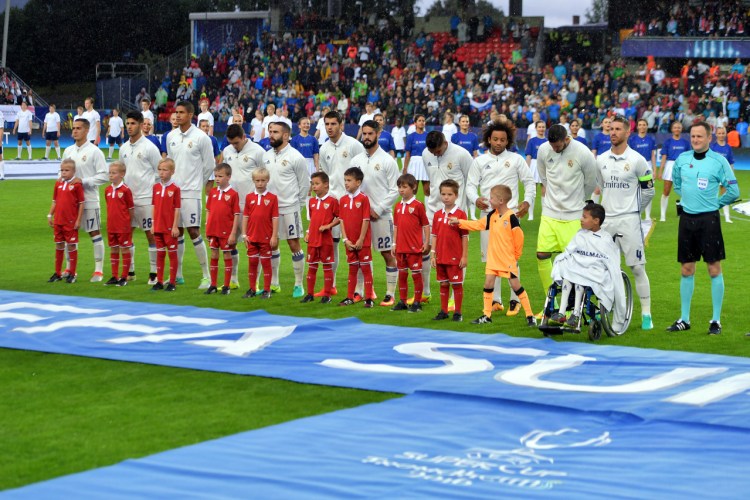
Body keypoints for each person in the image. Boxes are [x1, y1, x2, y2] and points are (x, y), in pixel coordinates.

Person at [668, 122, 739, 335]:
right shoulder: (682, 160)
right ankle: (684, 319)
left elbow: (734, 190)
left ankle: (716, 321)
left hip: (709, 221)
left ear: (709, 138)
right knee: (686, 269)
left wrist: (715, 204)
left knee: (713, 268)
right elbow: (677, 184)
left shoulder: (719, 161)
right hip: (687, 221)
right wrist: (689, 200)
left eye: (700, 136)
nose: (696, 140)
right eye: (693, 136)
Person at [466, 119, 535, 315]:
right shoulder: (479, 161)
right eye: (495, 139)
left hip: (509, 216)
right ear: (489, 139)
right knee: (490, 258)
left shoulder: (516, 159)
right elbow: (471, 185)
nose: (498, 143)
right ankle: (496, 300)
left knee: (511, 259)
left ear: (508, 141)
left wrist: (527, 202)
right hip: (488, 215)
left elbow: (529, 182)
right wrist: (475, 198)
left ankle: (515, 300)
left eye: (502, 140)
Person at [596, 115, 655, 330]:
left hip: (630, 221)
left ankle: (646, 314)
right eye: (611, 129)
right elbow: (599, 188)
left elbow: (649, 190)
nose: (613, 132)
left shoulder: (638, 160)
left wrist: (634, 208)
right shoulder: (600, 160)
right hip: (607, 222)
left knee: (637, 268)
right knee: (609, 269)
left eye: (618, 129)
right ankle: (617, 312)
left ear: (627, 132)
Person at [450, 184, 536, 327]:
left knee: (516, 285)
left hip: (507, 260)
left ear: (501, 200)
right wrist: (459, 222)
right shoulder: (492, 215)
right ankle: (487, 315)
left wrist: (515, 256)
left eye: (491, 198)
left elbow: (519, 237)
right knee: (488, 284)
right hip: (493, 259)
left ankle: (530, 315)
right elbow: (478, 225)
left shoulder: (512, 218)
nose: (489, 200)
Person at [535, 124, 598, 294]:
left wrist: (578, 200)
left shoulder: (583, 152)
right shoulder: (543, 150)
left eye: (558, 146)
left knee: (573, 261)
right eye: (552, 146)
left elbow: (591, 181)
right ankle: (551, 304)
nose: (554, 149)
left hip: (573, 215)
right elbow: (543, 175)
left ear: (566, 139)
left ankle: (571, 309)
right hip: (550, 212)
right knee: (541, 254)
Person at [550, 203, 627, 331]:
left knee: (580, 278)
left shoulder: (605, 239)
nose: (581, 219)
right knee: (568, 273)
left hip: (593, 271)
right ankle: (561, 313)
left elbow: (611, 260)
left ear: (596, 221)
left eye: (584, 217)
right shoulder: (580, 234)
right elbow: (570, 251)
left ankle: (575, 314)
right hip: (578, 267)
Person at [350, 119, 400, 306]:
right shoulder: (356, 160)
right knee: (361, 253)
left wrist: (378, 209)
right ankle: (362, 291)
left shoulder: (387, 160)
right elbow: (351, 186)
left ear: (378, 134)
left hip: (381, 216)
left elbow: (396, 190)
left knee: (387, 253)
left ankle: (390, 293)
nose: (367, 137)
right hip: (359, 216)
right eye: (365, 134)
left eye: (371, 133)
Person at [421, 130, 473, 305]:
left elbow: (471, 180)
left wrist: (466, 208)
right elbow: (431, 179)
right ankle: (426, 292)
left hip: (456, 214)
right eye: (433, 152)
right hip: (432, 211)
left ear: (444, 142)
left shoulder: (461, 154)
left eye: (438, 151)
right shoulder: (425, 153)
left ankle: (453, 298)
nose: (436, 154)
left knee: (456, 253)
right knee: (425, 249)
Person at [165, 100, 214, 288]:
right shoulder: (171, 136)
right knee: (176, 233)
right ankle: (177, 274)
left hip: (192, 192)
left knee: (194, 231)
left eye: (181, 113)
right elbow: (170, 162)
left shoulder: (202, 138)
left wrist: (197, 183)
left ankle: (206, 275)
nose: (177, 116)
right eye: (176, 112)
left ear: (191, 115)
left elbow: (209, 164)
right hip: (175, 192)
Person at [319, 110, 366, 296]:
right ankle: (331, 286)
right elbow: (325, 176)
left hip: (352, 202)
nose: (330, 128)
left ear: (341, 125)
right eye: (327, 124)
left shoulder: (354, 145)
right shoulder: (324, 149)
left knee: (356, 245)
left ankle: (359, 288)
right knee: (332, 244)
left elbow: (362, 174)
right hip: (332, 202)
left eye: (333, 124)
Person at [262, 121, 309, 298]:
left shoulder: (296, 157)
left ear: (286, 135)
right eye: (270, 131)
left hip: (290, 207)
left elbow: (304, 184)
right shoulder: (266, 156)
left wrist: (298, 206)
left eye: (275, 132)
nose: (271, 135)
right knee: (271, 244)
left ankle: (298, 284)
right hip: (269, 209)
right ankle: (274, 283)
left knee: (293, 243)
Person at [62, 117, 109, 281]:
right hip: (70, 203)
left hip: (89, 200)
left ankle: (98, 270)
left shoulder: (95, 151)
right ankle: (70, 269)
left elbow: (105, 176)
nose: (75, 131)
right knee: (69, 235)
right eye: (73, 128)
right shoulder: (68, 151)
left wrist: (84, 181)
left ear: (87, 130)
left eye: (78, 128)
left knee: (94, 233)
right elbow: (62, 173)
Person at [121, 111, 162, 284]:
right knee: (126, 234)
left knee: (151, 235)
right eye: (127, 124)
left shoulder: (149, 148)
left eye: (132, 123)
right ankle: (130, 271)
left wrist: (152, 192)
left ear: (140, 124)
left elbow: (160, 172)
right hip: (128, 201)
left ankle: (154, 272)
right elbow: (122, 173)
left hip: (146, 198)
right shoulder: (123, 148)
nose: (129, 126)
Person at [223, 123, 266, 288]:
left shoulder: (258, 151)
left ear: (244, 137)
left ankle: (254, 283)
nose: (233, 146)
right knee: (230, 242)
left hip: (252, 205)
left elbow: (265, 176)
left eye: (236, 143)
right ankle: (233, 279)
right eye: (231, 143)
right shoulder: (227, 151)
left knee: (253, 243)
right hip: (231, 205)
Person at [390, 173, 430, 313]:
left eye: (404, 187)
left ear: (413, 188)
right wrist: (394, 244)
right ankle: (402, 301)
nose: (401, 190)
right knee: (402, 274)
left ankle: (417, 302)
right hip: (400, 247)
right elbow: (395, 227)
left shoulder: (418, 205)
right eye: (399, 187)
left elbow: (425, 225)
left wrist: (426, 242)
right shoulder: (397, 206)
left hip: (414, 247)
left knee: (415, 274)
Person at [430, 179, 468, 322]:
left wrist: (464, 257)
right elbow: (434, 236)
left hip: (455, 257)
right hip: (441, 257)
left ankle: (458, 312)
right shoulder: (437, 214)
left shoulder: (461, 214)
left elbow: (464, 237)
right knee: (443, 283)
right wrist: (433, 255)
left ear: (456, 196)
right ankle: (443, 311)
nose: (446, 197)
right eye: (443, 194)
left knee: (456, 285)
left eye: (449, 194)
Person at [337, 166, 376, 307]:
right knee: (352, 269)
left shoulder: (364, 199)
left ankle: (369, 298)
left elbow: (366, 220)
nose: (346, 183)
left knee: (366, 269)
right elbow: (341, 220)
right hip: (349, 242)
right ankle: (349, 297)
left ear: (358, 182)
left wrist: (360, 239)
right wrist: (345, 239)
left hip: (362, 242)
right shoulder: (343, 200)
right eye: (345, 180)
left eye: (349, 180)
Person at [301, 171, 339, 304]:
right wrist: (308, 232)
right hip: (313, 239)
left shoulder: (332, 201)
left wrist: (328, 225)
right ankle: (309, 294)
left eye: (317, 184)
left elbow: (340, 217)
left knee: (327, 267)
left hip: (325, 240)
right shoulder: (311, 201)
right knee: (312, 266)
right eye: (312, 184)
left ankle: (327, 295)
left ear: (326, 184)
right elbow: (312, 220)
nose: (314, 186)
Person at [241, 167, 278, 299]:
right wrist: (244, 235)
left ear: (267, 180)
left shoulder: (272, 198)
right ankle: (252, 288)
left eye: (263, 180)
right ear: (253, 181)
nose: (260, 183)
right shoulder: (249, 197)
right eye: (257, 180)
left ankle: (267, 290)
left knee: (266, 264)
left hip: (266, 237)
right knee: (252, 263)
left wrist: (274, 236)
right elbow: (245, 216)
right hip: (252, 236)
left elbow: (275, 218)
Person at [204, 163, 241, 295]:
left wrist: (233, 233)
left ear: (228, 177)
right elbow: (208, 210)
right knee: (214, 254)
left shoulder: (233, 194)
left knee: (226, 255)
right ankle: (213, 284)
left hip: (226, 232)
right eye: (216, 176)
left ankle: (226, 286)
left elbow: (236, 214)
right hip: (213, 230)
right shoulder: (213, 192)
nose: (217, 179)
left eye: (220, 176)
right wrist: (207, 227)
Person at [47, 159, 84, 284]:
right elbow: (55, 201)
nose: (63, 173)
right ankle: (57, 273)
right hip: (58, 221)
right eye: (62, 170)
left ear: (74, 171)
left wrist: (78, 220)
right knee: (58, 245)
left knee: (72, 246)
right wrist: (50, 214)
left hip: (70, 221)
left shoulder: (77, 185)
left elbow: (81, 203)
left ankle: (72, 273)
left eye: (66, 170)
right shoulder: (58, 184)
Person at [151, 158, 181, 292]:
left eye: (165, 170)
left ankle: (172, 282)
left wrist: (175, 226)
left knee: (172, 254)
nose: (161, 173)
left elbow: (177, 209)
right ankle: (160, 281)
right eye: (160, 170)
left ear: (172, 172)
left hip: (169, 227)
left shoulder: (175, 188)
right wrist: (152, 223)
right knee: (160, 254)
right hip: (158, 226)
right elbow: (154, 206)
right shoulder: (156, 187)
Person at [103, 161, 135, 287]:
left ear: (122, 174)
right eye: (110, 173)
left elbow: (131, 209)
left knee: (124, 249)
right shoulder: (107, 190)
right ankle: (114, 276)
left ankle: (124, 276)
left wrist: (128, 223)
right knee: (114, 248)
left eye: (114, 173)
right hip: (111, 225)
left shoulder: (126, 190)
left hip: (123, 226)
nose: (111, 175)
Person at [658, 121, 690, 221]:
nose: (677, 129)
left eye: (679, 127)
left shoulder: (686, 143)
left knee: (684, 192)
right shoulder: (668, 142)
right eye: (675, 127)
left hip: (682, 166)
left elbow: (688, 158)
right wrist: (660, 171)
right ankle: (663, 215)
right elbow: (664, 157)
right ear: (672, 129)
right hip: (670, 166)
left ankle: (681, 213)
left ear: (681, 129)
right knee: (666, 191)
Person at [628, 118, 658, 225]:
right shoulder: (632, 140)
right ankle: (637, 214)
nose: (642, 126)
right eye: (640, 124)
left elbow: (653, 155)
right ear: (637, 126)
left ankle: (648, 215)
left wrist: (654, 169)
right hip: (636, 166)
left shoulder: (651, 139)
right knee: (636, 191)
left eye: (644, 124)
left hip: (648, 166)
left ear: (647, 126)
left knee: (648, 191)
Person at [710, 126, 735, 223]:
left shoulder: (728, 147)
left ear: (725, 134)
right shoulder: (712, 147)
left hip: (724, 174)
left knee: (724, 194)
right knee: (713, 194)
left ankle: (727, 217)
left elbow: (731, 162)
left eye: (723, 133)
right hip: (714, 174)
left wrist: (732, 175)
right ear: (716, 134)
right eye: (719, 133)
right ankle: (712, 214)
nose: (721, 135)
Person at [403, 114, 430, 197]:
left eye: (423, 121)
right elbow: (408, 154)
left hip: (426, 163)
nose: (422, 122)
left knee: (427, 190)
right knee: (413, 189)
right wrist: (405, 168)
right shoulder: (411, 137)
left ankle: (429, 210)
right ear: (415, 123)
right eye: (419, 121)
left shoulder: (429, 136)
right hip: (414, 163)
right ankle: (412, 209)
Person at [525, 120, 547, 185]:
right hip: (534, 165)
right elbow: (528, 156)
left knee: (544, 187)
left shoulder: (548, 142)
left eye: (543, 127)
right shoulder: (531, 141)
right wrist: (527, 169)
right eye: (539, 127)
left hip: (544, 165)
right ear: (536, 128)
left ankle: (543, 196)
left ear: (545, 128)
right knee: (533, 188)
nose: (541, 129)